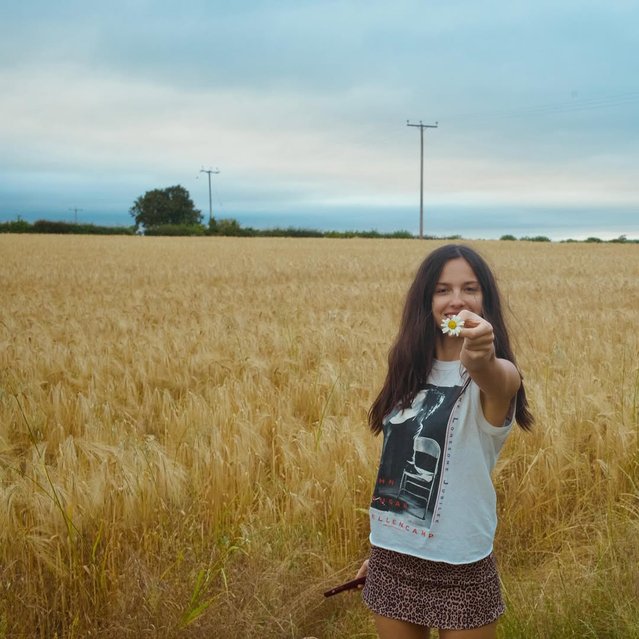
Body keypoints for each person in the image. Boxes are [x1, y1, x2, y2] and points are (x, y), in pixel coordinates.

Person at [355, 244, 533, 639]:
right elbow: (395, 465)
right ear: (426, 301)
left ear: (485, 299)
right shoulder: (406, 369)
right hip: (393, 558)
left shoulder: (496, 377)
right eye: (442, 290)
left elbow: (496, 375)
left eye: (470, 289)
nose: (456, 301)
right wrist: (382, 548)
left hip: (462, 565)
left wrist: (480, 357)